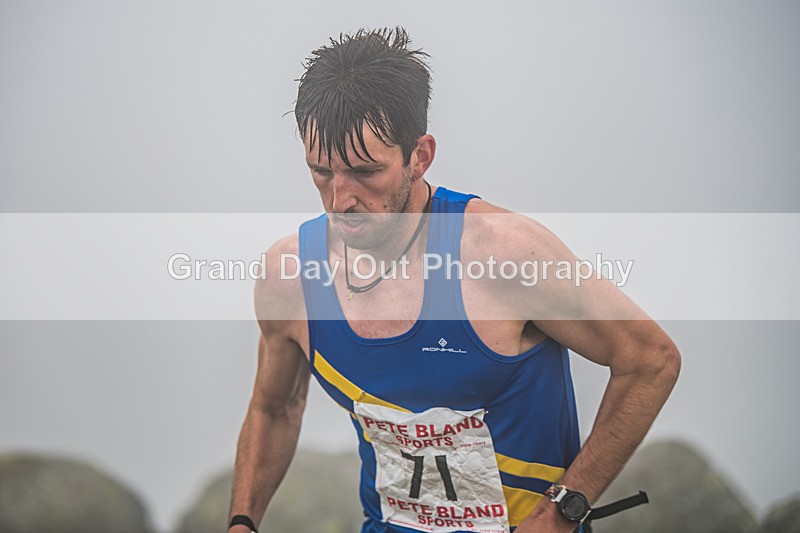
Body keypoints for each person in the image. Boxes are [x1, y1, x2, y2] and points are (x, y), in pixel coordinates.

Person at [228, 27, 680, 533]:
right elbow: (274, 408)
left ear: (419, 156)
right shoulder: (290, 277)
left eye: (364, 172)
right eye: (321, 172)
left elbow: (650, 361)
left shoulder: (504, 254)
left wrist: (561, 512)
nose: (341, 200)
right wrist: (242, 521)